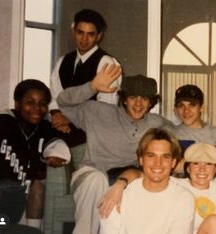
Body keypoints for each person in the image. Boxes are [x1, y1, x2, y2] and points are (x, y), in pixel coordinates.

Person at [57, 64, 173, 234]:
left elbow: (181, 136)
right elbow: (63, 103)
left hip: (127, 178)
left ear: (151, 102)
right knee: (97, 179)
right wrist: (92, 86)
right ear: (124, 99)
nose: (139, 104)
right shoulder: (98, 112)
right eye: (133, 97)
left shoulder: (156, 123)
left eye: (144, 98)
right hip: (92, 173)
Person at [0, 79, 71, 231]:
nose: (37, 108)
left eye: (42, 103)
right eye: (30, 102)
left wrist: (56, 155)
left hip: (20, 199)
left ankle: (33, 229)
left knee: (38, 185)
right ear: (17, 104)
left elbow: (57, 143)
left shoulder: (44, 127)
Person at [99, 142, 216, 234]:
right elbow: (136, 173)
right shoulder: (175, 185)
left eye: (208, 164)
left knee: (214, 222)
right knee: (214, 221)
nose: (202, 169)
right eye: (196, 163)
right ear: (187, 168)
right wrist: (119, 184)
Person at [100, 128, 195, 234]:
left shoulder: (184, 199)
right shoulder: (117, 195)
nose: (158, 163)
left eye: (165, 157)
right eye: (151, 156)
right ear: (141, 160)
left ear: (173, 162)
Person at [50, 8, 122, 146]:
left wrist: (70, 118)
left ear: (99, 36)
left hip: (90, 139)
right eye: (80, 33)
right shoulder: (63, 61)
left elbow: (105, 109)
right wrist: (56, 114)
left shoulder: (106, 63)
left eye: (90, 34)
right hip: (61, 134)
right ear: (74, 31)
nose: (84, 39)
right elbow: (55, 96)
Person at [170, 84, 216, 175]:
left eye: (192, 105)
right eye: (181, 105)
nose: (186, 110)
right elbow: (165, 167)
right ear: (176, 109)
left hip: (214, 186)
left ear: (201, 108)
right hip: (181, 186)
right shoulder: (170, 134)